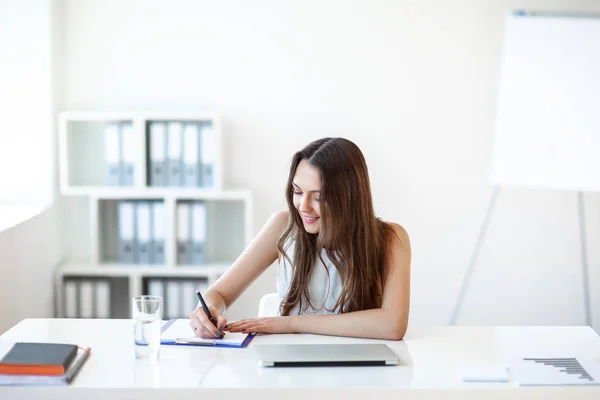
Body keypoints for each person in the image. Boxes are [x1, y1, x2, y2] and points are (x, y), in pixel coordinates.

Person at [189, 137, 411, 340]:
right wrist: (207, 311)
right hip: (290, 363)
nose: (303, 207)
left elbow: (392, 325)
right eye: (297, 191)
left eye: (318, 197)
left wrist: (292, 323)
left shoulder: (390, 239)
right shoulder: (283, 227)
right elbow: (218, 293)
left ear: (349, 198)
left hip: (359, 365)